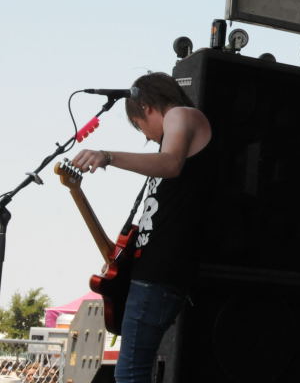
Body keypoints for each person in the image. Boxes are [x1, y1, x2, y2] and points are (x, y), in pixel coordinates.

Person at [71, 71, 212, 383]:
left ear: (146, 107)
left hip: (160, 273)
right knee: (132, 372)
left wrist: (108, 156)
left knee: (130, 374)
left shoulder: (180, 114)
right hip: (154, 272)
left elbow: (170, 163)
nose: (148, 137)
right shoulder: (179, 126)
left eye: (139, 126)